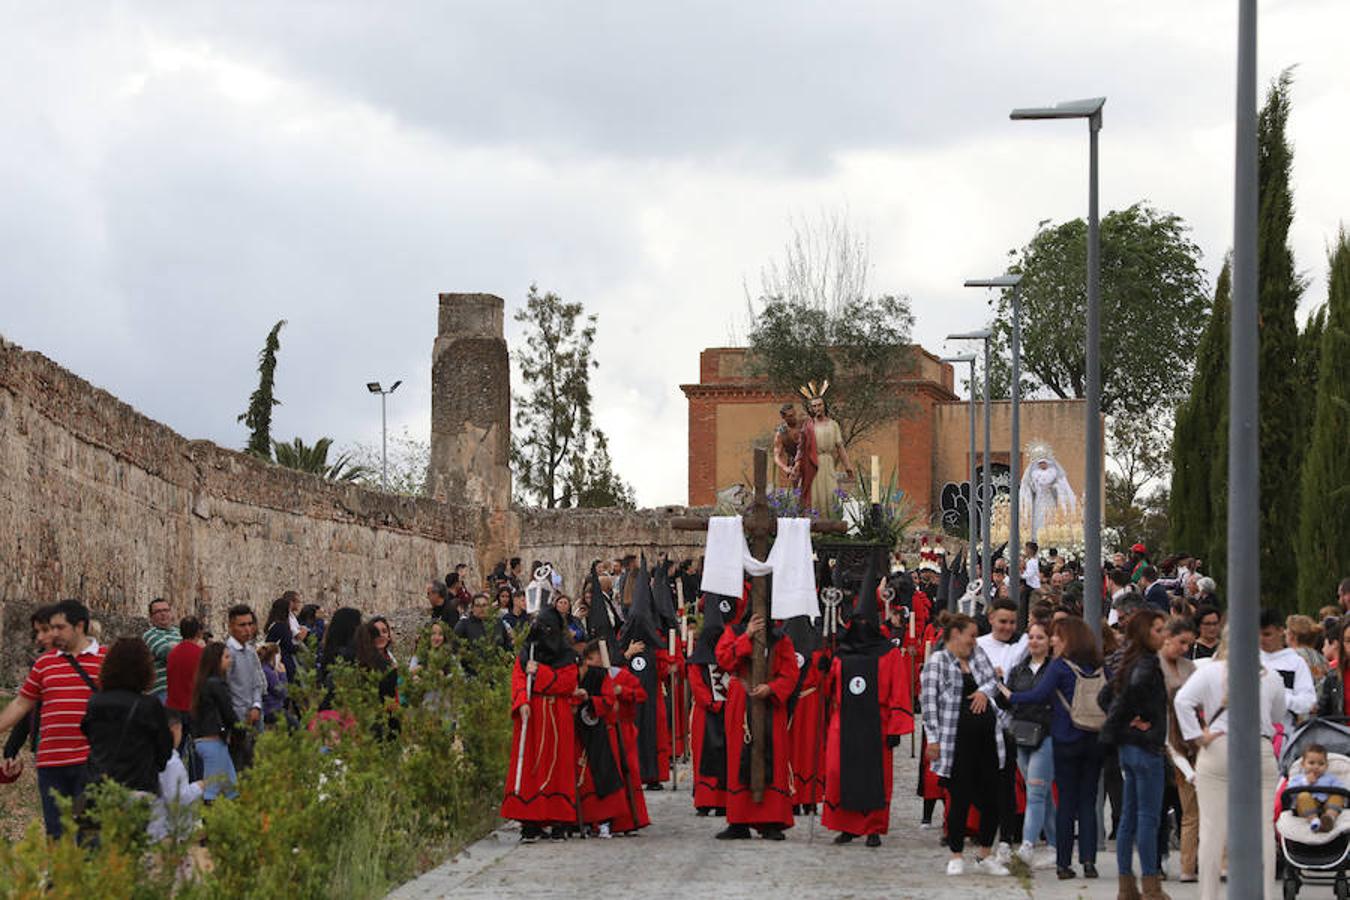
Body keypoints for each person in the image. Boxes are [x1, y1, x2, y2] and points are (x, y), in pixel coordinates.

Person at [1174, 628, 1286, 900]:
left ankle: (1209, 895)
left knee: (1211, 828)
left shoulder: (1209, 672)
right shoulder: (1271, 677)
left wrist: (1196, 737)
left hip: (1218, 746)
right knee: (1264, 828)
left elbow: (1182, 700)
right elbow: (1278, 714)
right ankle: (1267, 895)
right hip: (1258, 747)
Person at [1003, 615, 1106, 881]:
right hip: (1094, 739)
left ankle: (1063, 863)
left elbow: (1039, 695)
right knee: (1088, 802)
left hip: (1066, 738)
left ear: (1068, 639)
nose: (1054, 640)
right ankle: (1089, 861)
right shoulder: (1099, 666)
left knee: (1067, 802)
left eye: (1057, 636)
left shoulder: (1060, 667)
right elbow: (1113, 695)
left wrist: (1011, 695)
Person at [820, 565, 913, 848]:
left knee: (877, 779)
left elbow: (898, 691)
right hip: (843, 724)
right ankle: (846, 826)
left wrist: (897, 727)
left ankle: (872, 827)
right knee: (838, 774)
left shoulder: (889, 655)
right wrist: (822, 669)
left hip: (877, 725)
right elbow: (828, 691)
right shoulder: (841, 654)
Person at [0, 599, 106, 838]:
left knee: (88, 834)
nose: (51, 634)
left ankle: (89, 875)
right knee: (57, 835)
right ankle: (61, 876)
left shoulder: (106, 660)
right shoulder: (44, 664)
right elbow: (21, 704)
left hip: (88, 764)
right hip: (51, 765)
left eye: (59, 628)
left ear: (79, 626)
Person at [922, 612, 1010, 876]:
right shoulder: (937, 662)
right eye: (970, 635)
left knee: (992, 797)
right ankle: (956, 853)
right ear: (955, 634)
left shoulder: (977, 656)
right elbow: (929, 704)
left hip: (988, 739)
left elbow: (992, 682)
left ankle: (985, 854)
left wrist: (984, 690)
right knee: (959, 798)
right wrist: (933, 739)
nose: (974, 641)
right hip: (955, 740)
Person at [714, 596, 799, 840]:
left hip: (770, 703)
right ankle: (739, 821)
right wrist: (747, 636)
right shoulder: (734, 632)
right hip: (741, 701)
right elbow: (723, 659)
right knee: (738, 757)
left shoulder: (781, 640)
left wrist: (772, 688)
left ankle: (771, 820)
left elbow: (790, 674)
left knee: (773, 755)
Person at [1098, 609, 1168, 900]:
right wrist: (1135, 719)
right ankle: (1151, 886)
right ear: (1144, 633)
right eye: (1158, 630)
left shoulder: (1130, 662)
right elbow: (1125, 697)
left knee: (1129, 817)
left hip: (1129, 748)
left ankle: (1127, 886)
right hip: (1145, 748)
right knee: (1148, 819)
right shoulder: (1147, 664)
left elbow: (1106, 697)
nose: (1164, 635)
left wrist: (1121, 723)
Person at [501, 607, 578, 842]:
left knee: (558, 767)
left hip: (557, 715)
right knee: (531, 768)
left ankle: (559, 819)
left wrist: (541, 672)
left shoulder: (566, 654)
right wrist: (522, 701)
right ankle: (531, 820)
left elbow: (567, 683)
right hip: (533, 716)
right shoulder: (527, 652)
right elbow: (518, 678)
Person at [81, 637, 173, 796]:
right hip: (139, 786)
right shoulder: (149, 706)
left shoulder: (95, 702)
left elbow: (89, 736)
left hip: (101, 788)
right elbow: (164, 752)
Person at [975, 597, 1027, 858]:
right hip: (982, 722)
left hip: (1009, 725)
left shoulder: (1021, 644)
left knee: (1006, 784)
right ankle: (983, 833)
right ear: (992, 618)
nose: (1008, 627)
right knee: (981, 784)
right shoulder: (978, 645)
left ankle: (1006, 837)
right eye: (1003, 621)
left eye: (1012, 622)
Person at [1005, 620, 1057, 870]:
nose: (1034, 641)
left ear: (1049, 642)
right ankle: (1056, 845)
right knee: (1042, 793)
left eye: (1040, 637)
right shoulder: (1018, 670)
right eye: (1031, 637)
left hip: (1045, 735)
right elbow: (1007, 702)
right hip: (1022, 734)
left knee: (1036, 792)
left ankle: (1027, 845)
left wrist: (1015, 698)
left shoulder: (1054, 669)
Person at [1157, 617, 1198, 883]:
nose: (1184, 649)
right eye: (1181, 642)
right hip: (1159, 743)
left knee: (1185, 808)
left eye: (1189, 644)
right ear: (1167, 637)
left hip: (1184, 744)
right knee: (1159, 808)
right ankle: (1157, 861)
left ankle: (1188, 862)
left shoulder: (1190, 667)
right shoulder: (1154, 665)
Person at [573, 640, 627, 838]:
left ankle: (604, 820)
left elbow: (609, 701)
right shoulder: (575, 672)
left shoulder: (601, 676)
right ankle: (584, 820)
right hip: (578, 734)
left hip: (598, 732)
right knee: (583, 778)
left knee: (601, 775)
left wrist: (590, 700)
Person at [687, 593, 732, 817]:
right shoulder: (698, 661)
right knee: (704, 753)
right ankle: (705, 798)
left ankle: (722, 799)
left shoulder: (726, 657)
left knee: (724, 753)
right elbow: (697, 685)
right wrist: (712, 703)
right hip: (706, 714)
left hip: (724, 711)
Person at [2, 605, 57, 777]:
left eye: (45, 630)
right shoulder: (40, 667)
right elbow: (27, 707)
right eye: (37, 632)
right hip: (44, 750)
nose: (39, 637)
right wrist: (11, 749)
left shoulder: (90, 664)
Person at [190, 642, 239, 801]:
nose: (229, 660)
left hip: (207, 741)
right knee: (212, 790)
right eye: (226, 657)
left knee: (231, 786)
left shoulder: (203, 683)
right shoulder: (217, 684)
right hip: (213, 741)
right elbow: (228, 713)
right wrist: (241, 731)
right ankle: (208, 823)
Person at [794, 387, 854, 516]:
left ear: (824, 406)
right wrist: (796, 465)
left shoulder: (833, 425)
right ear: (811, 408)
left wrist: (848, 466)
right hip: (812, 464)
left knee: (831, 493)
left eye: (819, 405)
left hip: (827, 462)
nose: (817, 408)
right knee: (815, 494)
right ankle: (814, 525)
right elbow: (801, 448)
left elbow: (840, 447)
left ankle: (831, 523)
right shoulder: (808, 426)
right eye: (814, 406)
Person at [149, 710, 205, 843]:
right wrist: (200, 786)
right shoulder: (171, 761)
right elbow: (177, 799)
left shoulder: (150, 755)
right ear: (175, 729)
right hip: (170, 833)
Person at [1259, 607, 1316, 734]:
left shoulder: (1296, 663)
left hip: (1283, 734)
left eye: (1267, 634)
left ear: (1280, 631)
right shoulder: (1249, 659)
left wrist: (1280, 697)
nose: (1261, 640)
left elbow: (1308, 701)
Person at [224, 604, 266, 770]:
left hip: (254, 717)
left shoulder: (249, 651)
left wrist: (256, 706)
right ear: (231, 626)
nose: (248, 629)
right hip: (237, 721)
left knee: (254, 765)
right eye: (242, 625)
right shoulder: (228, 654)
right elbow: (225, 688)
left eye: (250, 624)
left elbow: (257, 683)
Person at [1290, 744, 1345, 833]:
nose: (1316, 767)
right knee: (1303, 796)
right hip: (1306, 809)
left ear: (1327, 765)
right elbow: (1290, 791)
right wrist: (1305, 782)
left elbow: (1341, 789)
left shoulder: (1331, 778)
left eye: (1321, 764)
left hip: (1326, 806)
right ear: (1303, 764)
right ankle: (1314, 820)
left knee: (1338, 795)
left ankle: (1329, 818)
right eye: (1311, 763)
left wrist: (1334, 791)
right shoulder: (1298, 778)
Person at [142, 597, 181, 703]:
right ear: (151, 617)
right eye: (158, 612)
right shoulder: (150, 634)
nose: (163, 614)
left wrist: (175, 646)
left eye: (165, 610)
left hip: (184, 688)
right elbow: (166, 653)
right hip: (163, 690)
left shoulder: (180, 631)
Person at [263, 596, 301, 684]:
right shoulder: (282, 627)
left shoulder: (272, 624)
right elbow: (289, 646)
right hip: (283, 659)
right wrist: (298, 648)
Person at [1317, 620, 1350, 716]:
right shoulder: (1333, 676)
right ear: (1342, 644)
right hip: (1341, 730)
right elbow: (1323, 714)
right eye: (1348, 641)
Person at [1286, 615, 1329, 687]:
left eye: (1287, 629)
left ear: (1292, 635)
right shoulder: (1322, 659)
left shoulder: (1290, 657)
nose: (1285, 632)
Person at [772, 402, 803, 488]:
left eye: (794, 414)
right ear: (784, 417)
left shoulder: (803, 425)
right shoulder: (781, 433)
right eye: (790, 416)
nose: (793, 418)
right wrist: (785, 468)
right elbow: (776, 456)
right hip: (793, 463)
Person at [257, 644, 289, 728]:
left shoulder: (263, 668)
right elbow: (282, 692)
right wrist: (282, 674)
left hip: (268, 708)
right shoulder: (268, 672)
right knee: (295, 725)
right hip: (272, 709)